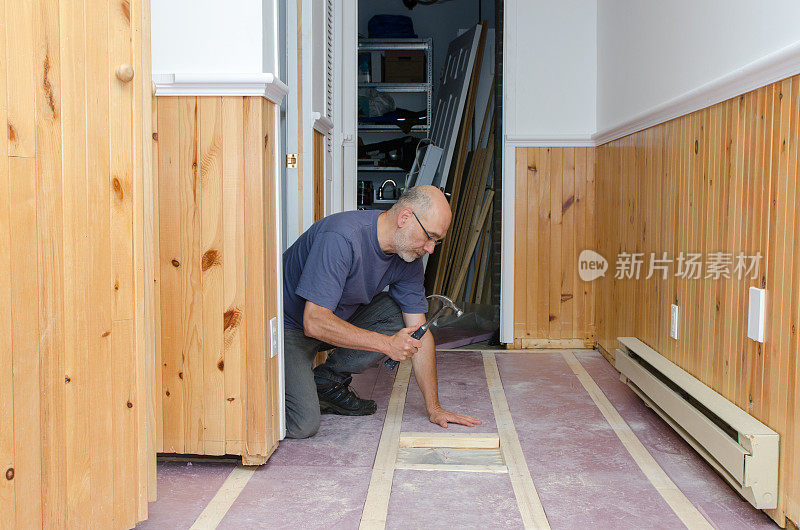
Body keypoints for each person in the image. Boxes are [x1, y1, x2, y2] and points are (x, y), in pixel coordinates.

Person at [282, 185, 481, 438]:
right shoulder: (342, 237)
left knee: (400, 317)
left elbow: (421, 333)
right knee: (303, 424)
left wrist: (435, 408)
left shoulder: (408, 259)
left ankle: (327, 381)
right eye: (429, 236)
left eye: (436, 241)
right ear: (405, 218)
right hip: (291, 328)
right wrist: (387, 344)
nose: (430, 248)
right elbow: (314, 322)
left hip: (334, 321)